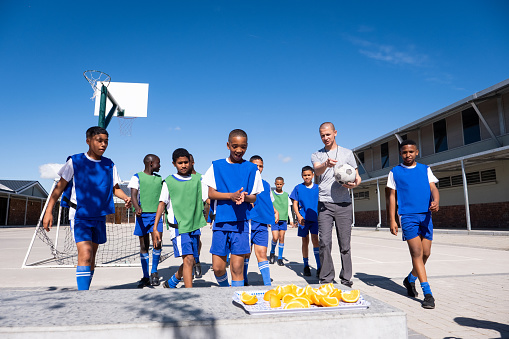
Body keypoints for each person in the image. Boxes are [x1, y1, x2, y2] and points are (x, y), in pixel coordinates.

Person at [42, 126, 131, 290]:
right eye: (99, 141)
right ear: (88, 141)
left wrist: (126, 197)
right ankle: (82, 296)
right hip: (80, 215)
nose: (103, 144)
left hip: (99, 216)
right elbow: (59, 188)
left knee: (92, 258)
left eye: (106, 141)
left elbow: (114, 188)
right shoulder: (75, 161)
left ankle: (86, 292)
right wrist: (48, 211)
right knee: (86, 254)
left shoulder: (109, 164)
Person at [201, 129, 263, 287]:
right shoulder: (216, 166)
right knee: (218, 268)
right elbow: (211, 193)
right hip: (221, 223)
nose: (239, 150)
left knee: (237, 268)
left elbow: (253, 196)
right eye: (235, 146)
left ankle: (236, 298)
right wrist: (231, 196)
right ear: (228, 145)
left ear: (247, 146)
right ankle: (226, 290)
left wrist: (244, 197)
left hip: (241, 224)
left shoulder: (251, 169)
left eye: (243, 147)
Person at [387, 139, 439, 309]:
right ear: (400, 154)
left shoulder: (425, 169)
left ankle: (410, 280)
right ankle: (428, 294)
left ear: (417, 152)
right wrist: (392, 219)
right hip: (407, 216)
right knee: (416, 253)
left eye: (411, 152)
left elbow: (433, 188)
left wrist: (436, 200)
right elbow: (392, 197)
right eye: (404, 152)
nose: (408, 155)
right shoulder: (394, 172)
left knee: (426, 254)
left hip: (425, 215)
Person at [311, 122, 361, 287]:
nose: (325, 138)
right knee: (324, 242)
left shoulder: (347, 153)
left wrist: (355, 184)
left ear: (335, 133)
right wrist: (326, 164)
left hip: (344, 204)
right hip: (325, 203)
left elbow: (357, 176)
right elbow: (317, 171)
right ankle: (326, 278)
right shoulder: (317, 155)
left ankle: (346, 279)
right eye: (322, 135)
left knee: (345, 244)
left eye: (328, 134)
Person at [154, 148, 208, 288]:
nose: (183, 165)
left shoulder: (198, 180)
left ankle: (172, 281)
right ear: (174, 164)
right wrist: (155, 228)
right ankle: (189, 294)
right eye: (180, 163)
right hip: (178, 228)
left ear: (191, 162)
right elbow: (161, 204)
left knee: (189, 261)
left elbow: (208, 199)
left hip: (194, 226)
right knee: (189, 260)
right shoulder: (169, 181)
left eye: (186, 162)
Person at [128, 154, 164, 288]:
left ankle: (154, 271)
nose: (160, 165)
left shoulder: (160, 179)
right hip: (142, 216)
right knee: (144, 246)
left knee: (157, 243)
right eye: (158, 163)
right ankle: (145, 276)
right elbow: (133, 194)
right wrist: (137, 207)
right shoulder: (137, 177)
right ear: (150, 163)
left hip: (156, 216)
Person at [244, 155, 277, 286]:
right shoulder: (244, 182)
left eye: (260, 166)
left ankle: (268, 285)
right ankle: (244, 281)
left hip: (262, 224)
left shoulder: (266, 184)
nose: (258, 168)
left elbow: (269, 201)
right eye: (255, 165)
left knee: (262, 253)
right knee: (246, 254)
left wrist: (275, 211)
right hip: (247, 223)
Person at [290, 166, 320, 277]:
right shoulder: (298, 188)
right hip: (303, 218)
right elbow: (295, 203)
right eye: (304, 175)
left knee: (315, 240)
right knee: (305, 241)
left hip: (315, 217)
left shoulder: (318, 188)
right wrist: (298, 216)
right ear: (302, 176)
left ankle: (319, 266)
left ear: (312, 175)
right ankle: (306, 265)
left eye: (308, 175)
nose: (306, 177)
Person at [187, 154, 204, 279]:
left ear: (192, 162)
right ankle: (191, 266)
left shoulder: (201, 178)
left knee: (196, 241)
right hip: (184, 215)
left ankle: (196, 262)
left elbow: (206, 196)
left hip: (197, 214)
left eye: (188, 162)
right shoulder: (181, 178)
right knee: (188, 242)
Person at [269, 176, 292, 266]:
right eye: (277, 184)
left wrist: (291, 219)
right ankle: (272, 252)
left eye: (280, 184)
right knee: (275, 237)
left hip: (283, 219)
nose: (279, 185)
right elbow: (269, 206)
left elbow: (289, 207)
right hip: (274, 219)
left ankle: (279, 258)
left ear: (283, 184)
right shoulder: (271, 194)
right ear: (275, 184)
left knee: (281, 237)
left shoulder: (286, 195)